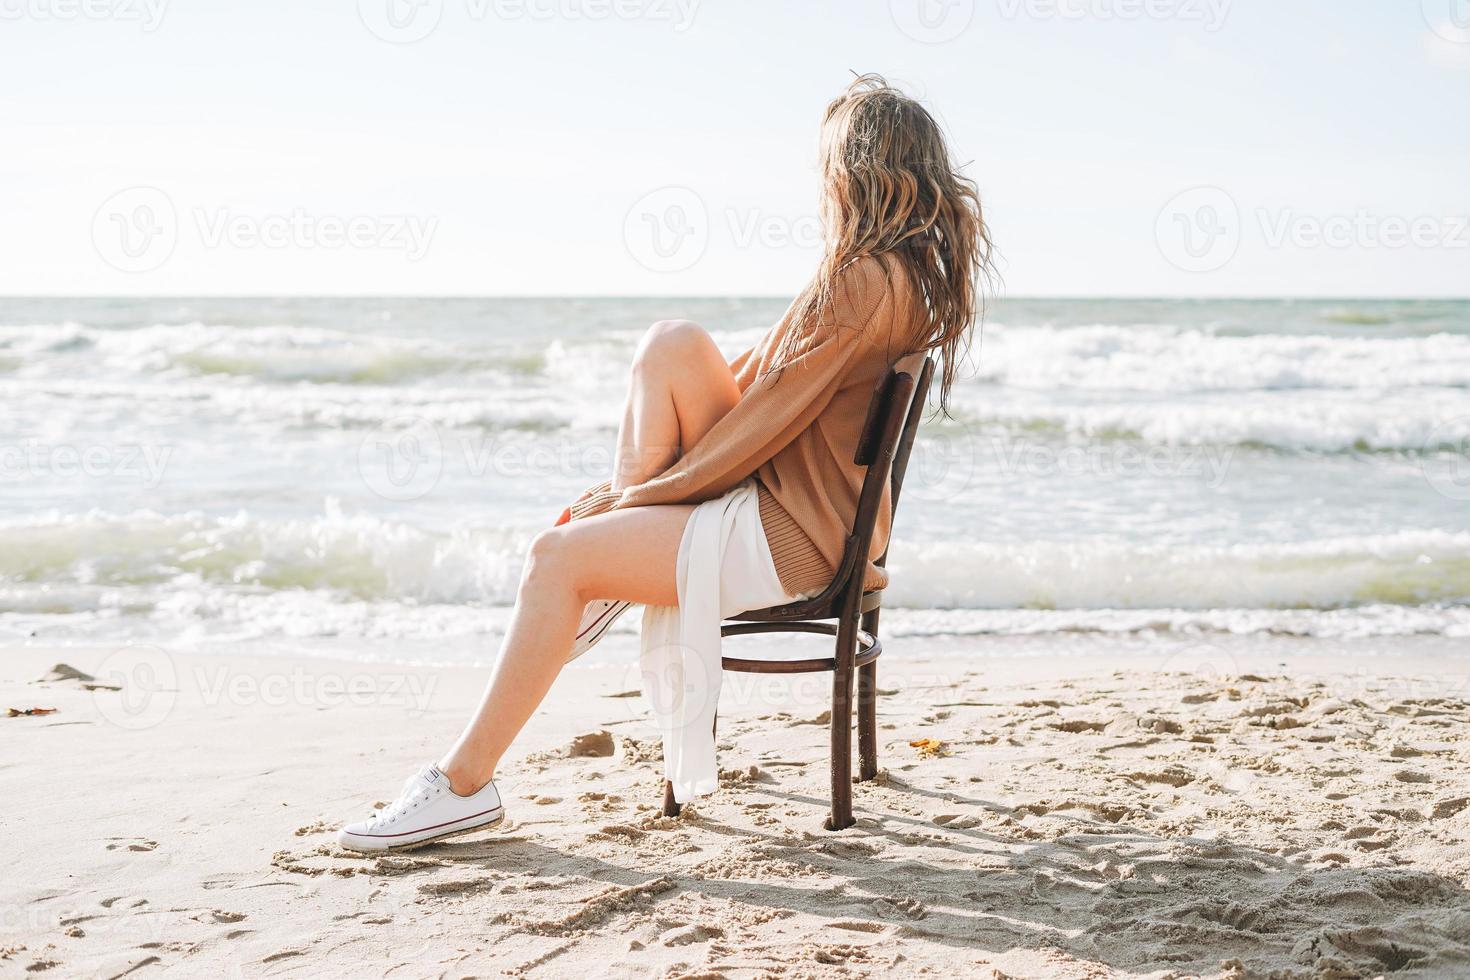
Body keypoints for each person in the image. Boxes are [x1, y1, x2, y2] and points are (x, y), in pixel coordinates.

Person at [337, 74, 994, 851]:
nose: (821, 185)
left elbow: (763, 422)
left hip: (792, 537)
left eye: (828, 168)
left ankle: (465, 786)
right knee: (672, 343)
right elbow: (767, 383)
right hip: (812, 521)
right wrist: (629, 499)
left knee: (554, 559)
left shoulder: (864, 280)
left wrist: (631, 505)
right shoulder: (903, 278)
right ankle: (599, 569)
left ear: (857, 172)